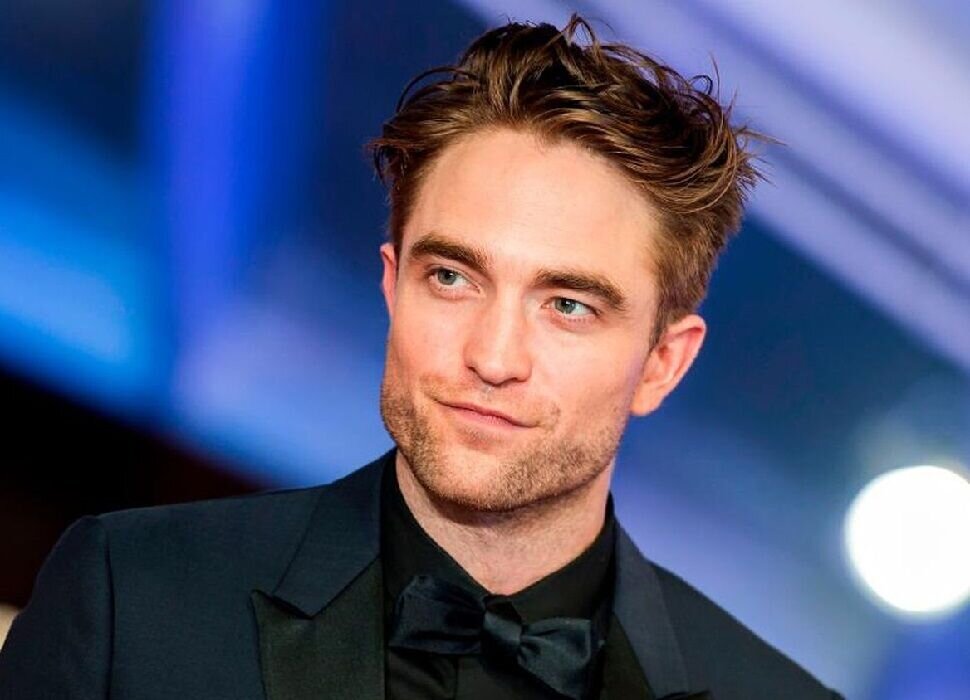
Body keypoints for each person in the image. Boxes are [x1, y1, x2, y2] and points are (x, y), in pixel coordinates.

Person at [0, 15, 844, 700]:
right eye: (452, 277)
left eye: (567, 305)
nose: (493, 356)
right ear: (392, 284)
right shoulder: (131, 598)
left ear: (663, 363)